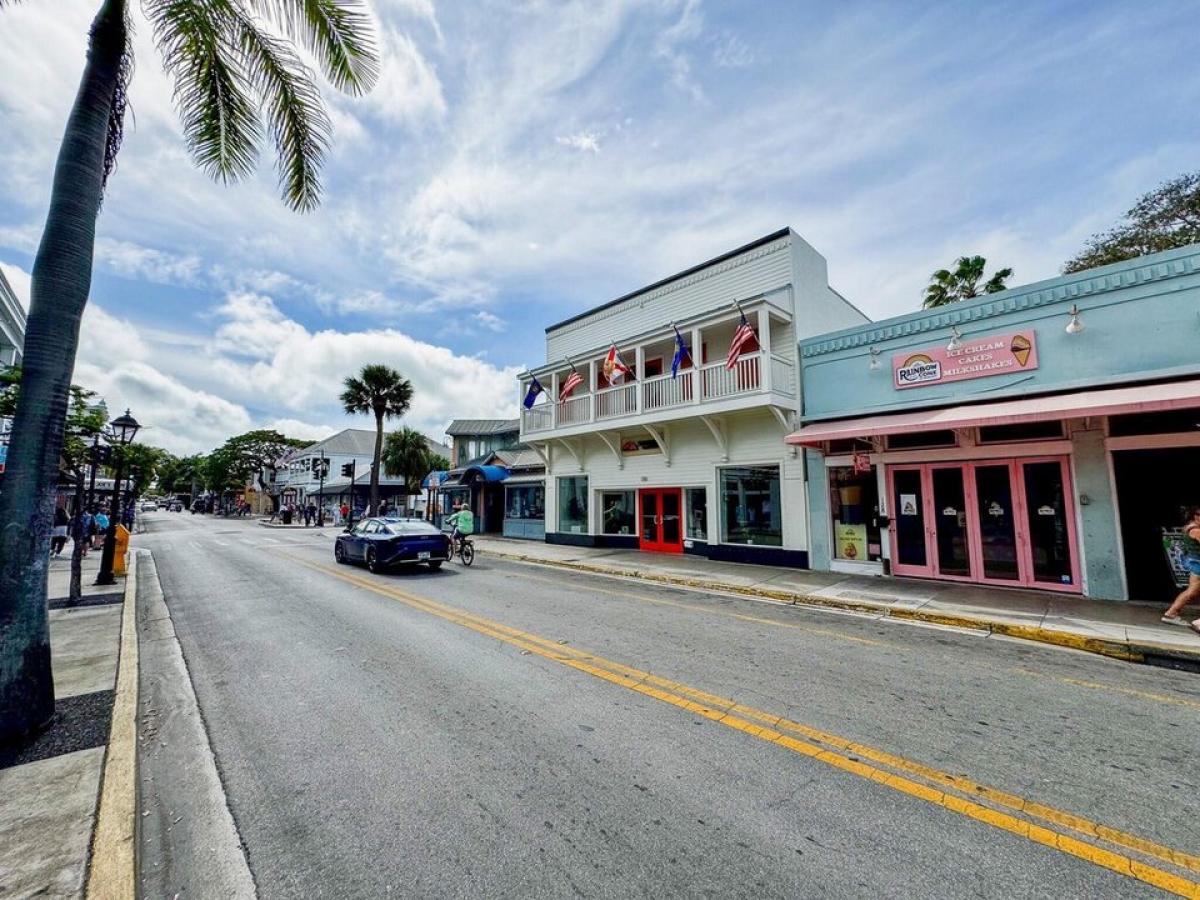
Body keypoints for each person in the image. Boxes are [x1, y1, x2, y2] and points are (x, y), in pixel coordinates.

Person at [1163, 506, 1200, 635]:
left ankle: (1171, 613)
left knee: (1192, 591)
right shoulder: (1195, 530)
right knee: (1191, 592)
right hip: (1198, 563)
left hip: (1195, 563)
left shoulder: (1189, 526)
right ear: (1195, 516)